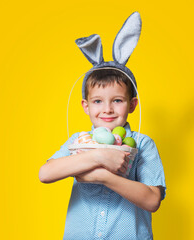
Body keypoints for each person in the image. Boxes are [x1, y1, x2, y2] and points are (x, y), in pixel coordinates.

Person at [39, 12, 166, 239]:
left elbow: (152, 200)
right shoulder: (79, 141)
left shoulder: (142, 144)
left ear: (132, 104)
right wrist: (98, 158)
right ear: (86, 106)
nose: (107, 109)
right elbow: (45, 173)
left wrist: (102, 177)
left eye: (117, 100)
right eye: (98, 101)